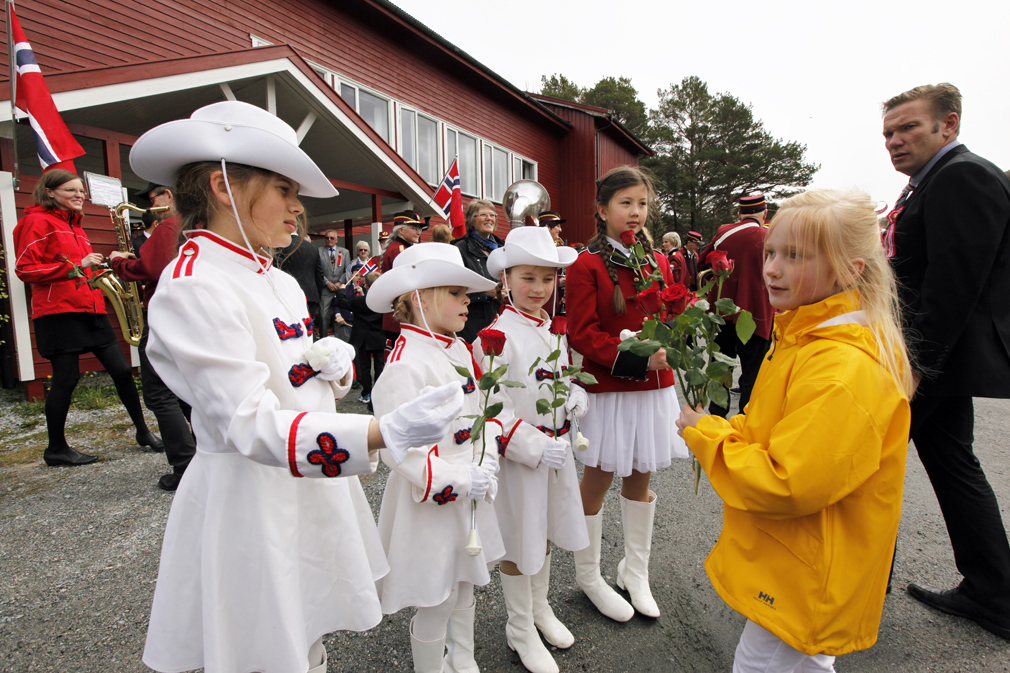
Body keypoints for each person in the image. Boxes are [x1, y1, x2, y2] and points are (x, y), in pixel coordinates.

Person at [129, 100, 465, 673]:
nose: (296, 208)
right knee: (264, 644)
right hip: (251, 494)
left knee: (309, 631)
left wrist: (329, 371)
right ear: (221, 186)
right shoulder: (194, 285)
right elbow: (249, 423)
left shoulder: (279, 279)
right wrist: (381, 431)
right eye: (283, 189)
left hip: (308, 477)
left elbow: (300, 386)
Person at [677, 189, 913, 672]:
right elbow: (772, 425)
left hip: (808, 566)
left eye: (795, 256)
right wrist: (723, 424)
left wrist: (709, 436)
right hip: (801, 559)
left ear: (851, 270)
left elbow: (788, 481)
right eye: (771, 253)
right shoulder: (807, 337)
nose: (772, 269)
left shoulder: (840, 366)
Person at [881, 83, 1010, 638]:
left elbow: (951, 286)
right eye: (888, 132)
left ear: (948, 125)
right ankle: (994, 592)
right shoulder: (929, 182)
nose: (894, 140)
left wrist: (912, 369)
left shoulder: (962, 177)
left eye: (908, 127)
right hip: (940, 360)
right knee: (955, 466)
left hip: (932, 360)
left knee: (868, 463)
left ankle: (851, 585)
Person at [367, 242, 503, 673]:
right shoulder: (406, 364)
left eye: (466, 293)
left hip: (469, 483)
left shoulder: (457, 347)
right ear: (419, 299)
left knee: (465, 584)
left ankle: (461, 659)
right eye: (455, 292)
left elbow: (482, 408)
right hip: (433, 497)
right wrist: (462, 479)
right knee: (437, 596)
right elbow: (399, 451)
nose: (468, 301)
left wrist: (489, 455)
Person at [565, 166, 689, 622]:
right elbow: (581, 334)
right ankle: (588, 573)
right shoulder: (586, 264)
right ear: (602, 210)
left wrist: (676, 338)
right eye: (625, 203)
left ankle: (635, 571)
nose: (635, 212)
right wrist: (637, 358)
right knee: (596, 479)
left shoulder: (658, 261)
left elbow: (671, 314)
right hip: (613, 389)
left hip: (654, 390)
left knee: (641, 477)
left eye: (642, 204)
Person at [478, 226, 588, 673]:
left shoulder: (551, 328)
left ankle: (539, 608)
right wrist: (532, 445)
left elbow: (560, 378)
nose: (539, 289)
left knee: (543, 532)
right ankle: (519, 626)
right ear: (506, 280)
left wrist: (576, 396)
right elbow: (490, 407)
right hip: (522, 459)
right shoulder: (494, 336)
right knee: (518, 538)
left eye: (548, 278)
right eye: (528, 278)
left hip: (556, 453)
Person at [13, 169, 163, 467]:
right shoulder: (35, 221)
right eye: (71, 190)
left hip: (90, 308)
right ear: (50, 192)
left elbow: (80, 268)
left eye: (81, 190)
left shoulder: (75, 226)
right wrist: (76, 267)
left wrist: (109, 262)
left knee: (122, 371)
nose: (79, 195)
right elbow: (24, 270)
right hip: (58, 312)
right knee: (66, 379)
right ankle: (56, 448)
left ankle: (143, 432)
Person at [109, 184, 196, 491]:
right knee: (187, 388)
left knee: (159, 393)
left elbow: (152, 268)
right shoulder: (200, 223)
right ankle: (205, 451)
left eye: (153, 199)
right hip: (192, 313)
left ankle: (185, 464)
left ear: (168, 194)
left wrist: (118, 261)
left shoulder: (173, 224)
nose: (151, 206)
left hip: (164, 312)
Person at [699, 194, 775, 416]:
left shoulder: (724, 232)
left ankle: (717, 421)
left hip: (722, 313)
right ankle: (747, 423)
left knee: (720, 369)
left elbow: (704, 262)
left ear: (740, 214)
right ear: (765, 213)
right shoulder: (769, 237)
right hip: (758, 314)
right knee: (753, 374)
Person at [452, 200, 505, 342]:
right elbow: (453, 288)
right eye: (483, 215)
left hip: (501, 321)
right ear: (471, 220)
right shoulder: (459, 249)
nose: (489, 218)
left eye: (492, 215)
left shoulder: (503, 248)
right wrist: (485, 293)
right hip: (472, 325)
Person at [335, 271, 385, 408]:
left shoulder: (359, 301)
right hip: (379, 337)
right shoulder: (384, 302)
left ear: (366, 285)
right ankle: (379, 392)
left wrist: (341, 291)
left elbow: (342, 302)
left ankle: (367, 392)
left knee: (365, 367)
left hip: (363, 338)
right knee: (380, 366)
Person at [380, 211, 425, 351]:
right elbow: (407, 283)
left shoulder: (400, 248)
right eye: (414, 228)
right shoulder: (399, 251)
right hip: (402, 314)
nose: (418, 232)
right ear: (401, 230)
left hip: (400, 313)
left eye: (419, 229)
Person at [275, 228, 326, 341]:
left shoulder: (281, 245)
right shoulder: (312, 247)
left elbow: (277, 270)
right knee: (309, 328)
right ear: (297, 228)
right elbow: (319, 274)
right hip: (311, 295)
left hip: (288, 294)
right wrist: (317, 295)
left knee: (290, 328)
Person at [318, 229, 351, 340]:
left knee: (342, 313)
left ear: (336, 240)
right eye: (327, 237)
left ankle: (341, 339)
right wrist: (327, 282)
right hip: (326, 288)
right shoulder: (318, 251)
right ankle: (323, 339)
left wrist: (339, 282)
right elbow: (318, 270)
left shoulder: (344, 252)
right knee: (323, 315)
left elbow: (347, 270)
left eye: (332, 238)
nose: (329, 240)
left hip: (340, 287)